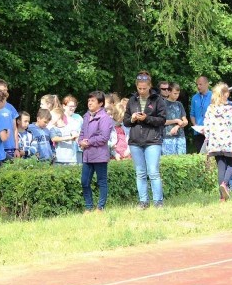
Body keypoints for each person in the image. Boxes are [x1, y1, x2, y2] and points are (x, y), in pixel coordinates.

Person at [124, 71, 167, 209]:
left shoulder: (157, 99)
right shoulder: (132, 100)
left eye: (144, 88)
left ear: (150, 86)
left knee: (153, 171)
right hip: (135, 140)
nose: (141, 91)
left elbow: (162, 119)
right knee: (140, 172)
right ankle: (143, 201)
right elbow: (125, 121)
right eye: (139, 88)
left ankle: (158, 202)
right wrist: (132, 118)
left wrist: (146, 118)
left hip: (153, 140)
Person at [203, 83, 232, 201]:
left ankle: (222, 197)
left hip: (215, 143)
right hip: (228, 142)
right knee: (231, 164)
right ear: (225, 94)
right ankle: (225, 184)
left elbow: (207, 126)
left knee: (221, 167)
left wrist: (208, 140)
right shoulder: (230, 108)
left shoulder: (210, 108)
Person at [78, 91, 114, 212]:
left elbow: (104, 137)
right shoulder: (86, 116)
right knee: (84, 181)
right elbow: (82, 132)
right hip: (87, 155)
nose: (89, 103)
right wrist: (80, 141)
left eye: (93, 101)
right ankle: (89, 206)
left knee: (101, 181)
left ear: (101, 103)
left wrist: (88, 142)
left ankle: (100, 207)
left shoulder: (105, 118)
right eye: (89, 101)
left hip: (99, 155)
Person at [0, 80, 20, 158]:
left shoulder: (10, 107)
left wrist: (16, 148)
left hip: (10, 147)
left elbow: (15, 129)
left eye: (6, 90)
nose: (5, 93)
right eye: (2, 90)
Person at [162, 82, 188, 155]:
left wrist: (177, 126)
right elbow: (161, 121)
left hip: (180, 136)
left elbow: (185, 121)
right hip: (167, 137)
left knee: (182, 160)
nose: (177, 96)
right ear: (169, 92)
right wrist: (176, 120)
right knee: (169, 160)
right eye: (175, 93)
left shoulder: (179, 104)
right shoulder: (163, 104)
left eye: (178, 93)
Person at [190, 75, 212, 153]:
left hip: (211, 132)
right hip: (198, 132)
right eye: (197, 84)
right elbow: (192, 114)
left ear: (207, 84)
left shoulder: (213, 96)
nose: (198, 86)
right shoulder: (194, 98)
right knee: (200, 155)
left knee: (211, 156)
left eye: (200, 84)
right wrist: (195, 125)